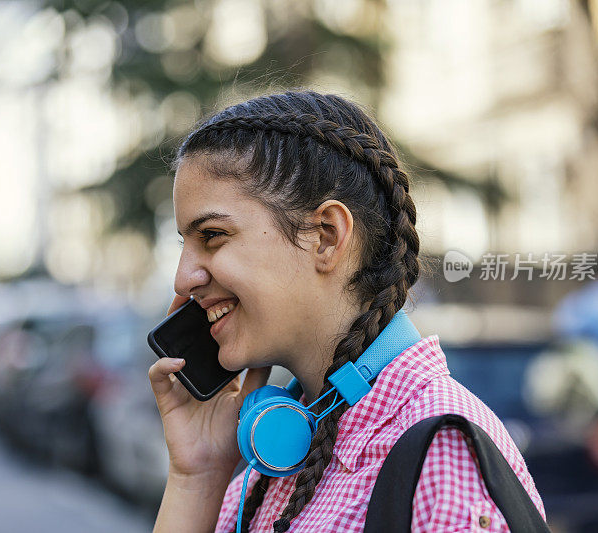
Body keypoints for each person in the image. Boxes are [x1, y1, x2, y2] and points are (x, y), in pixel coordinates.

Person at [147, 90, 546, 532]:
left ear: (326, 237)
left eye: (213, 235)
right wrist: (197, 477)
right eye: (185, 244)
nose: (184, 279)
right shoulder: (283, 452)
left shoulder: (441, 457)